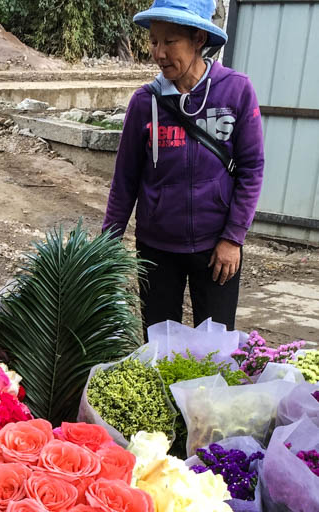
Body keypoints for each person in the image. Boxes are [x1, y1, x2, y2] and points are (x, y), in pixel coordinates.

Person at [103, 0, 264, 331]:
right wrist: (107, 245)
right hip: (157, 248)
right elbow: (125, 180)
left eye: (170, 41)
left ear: (198, 39)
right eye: (154, 41)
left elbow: (251, 169)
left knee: (216, 347)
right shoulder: (144, 101)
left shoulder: (236, 91)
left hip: (217, 245)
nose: (159, 53)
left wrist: (233, 238)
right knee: (160, 345)